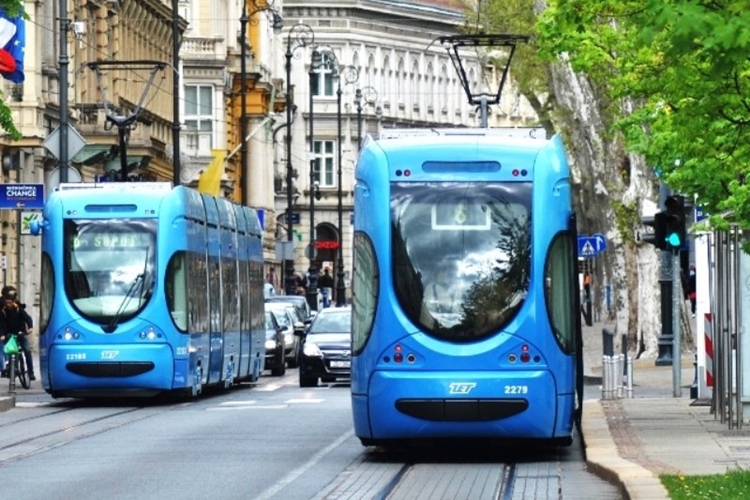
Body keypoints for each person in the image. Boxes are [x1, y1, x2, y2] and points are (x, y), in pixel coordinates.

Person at [0, 286, 34, 380]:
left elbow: (28, 318)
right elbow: (1, 324)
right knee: (11, 351)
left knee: (27, 351)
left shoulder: (19, 309)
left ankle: (31, 372)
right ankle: (12, 369)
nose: (8, 305)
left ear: (13, 302)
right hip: (10, 334)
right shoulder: (3, 312)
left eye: (10, 303)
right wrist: (2, 334)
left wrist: (30, 327)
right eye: (7, 303)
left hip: (20, 332)